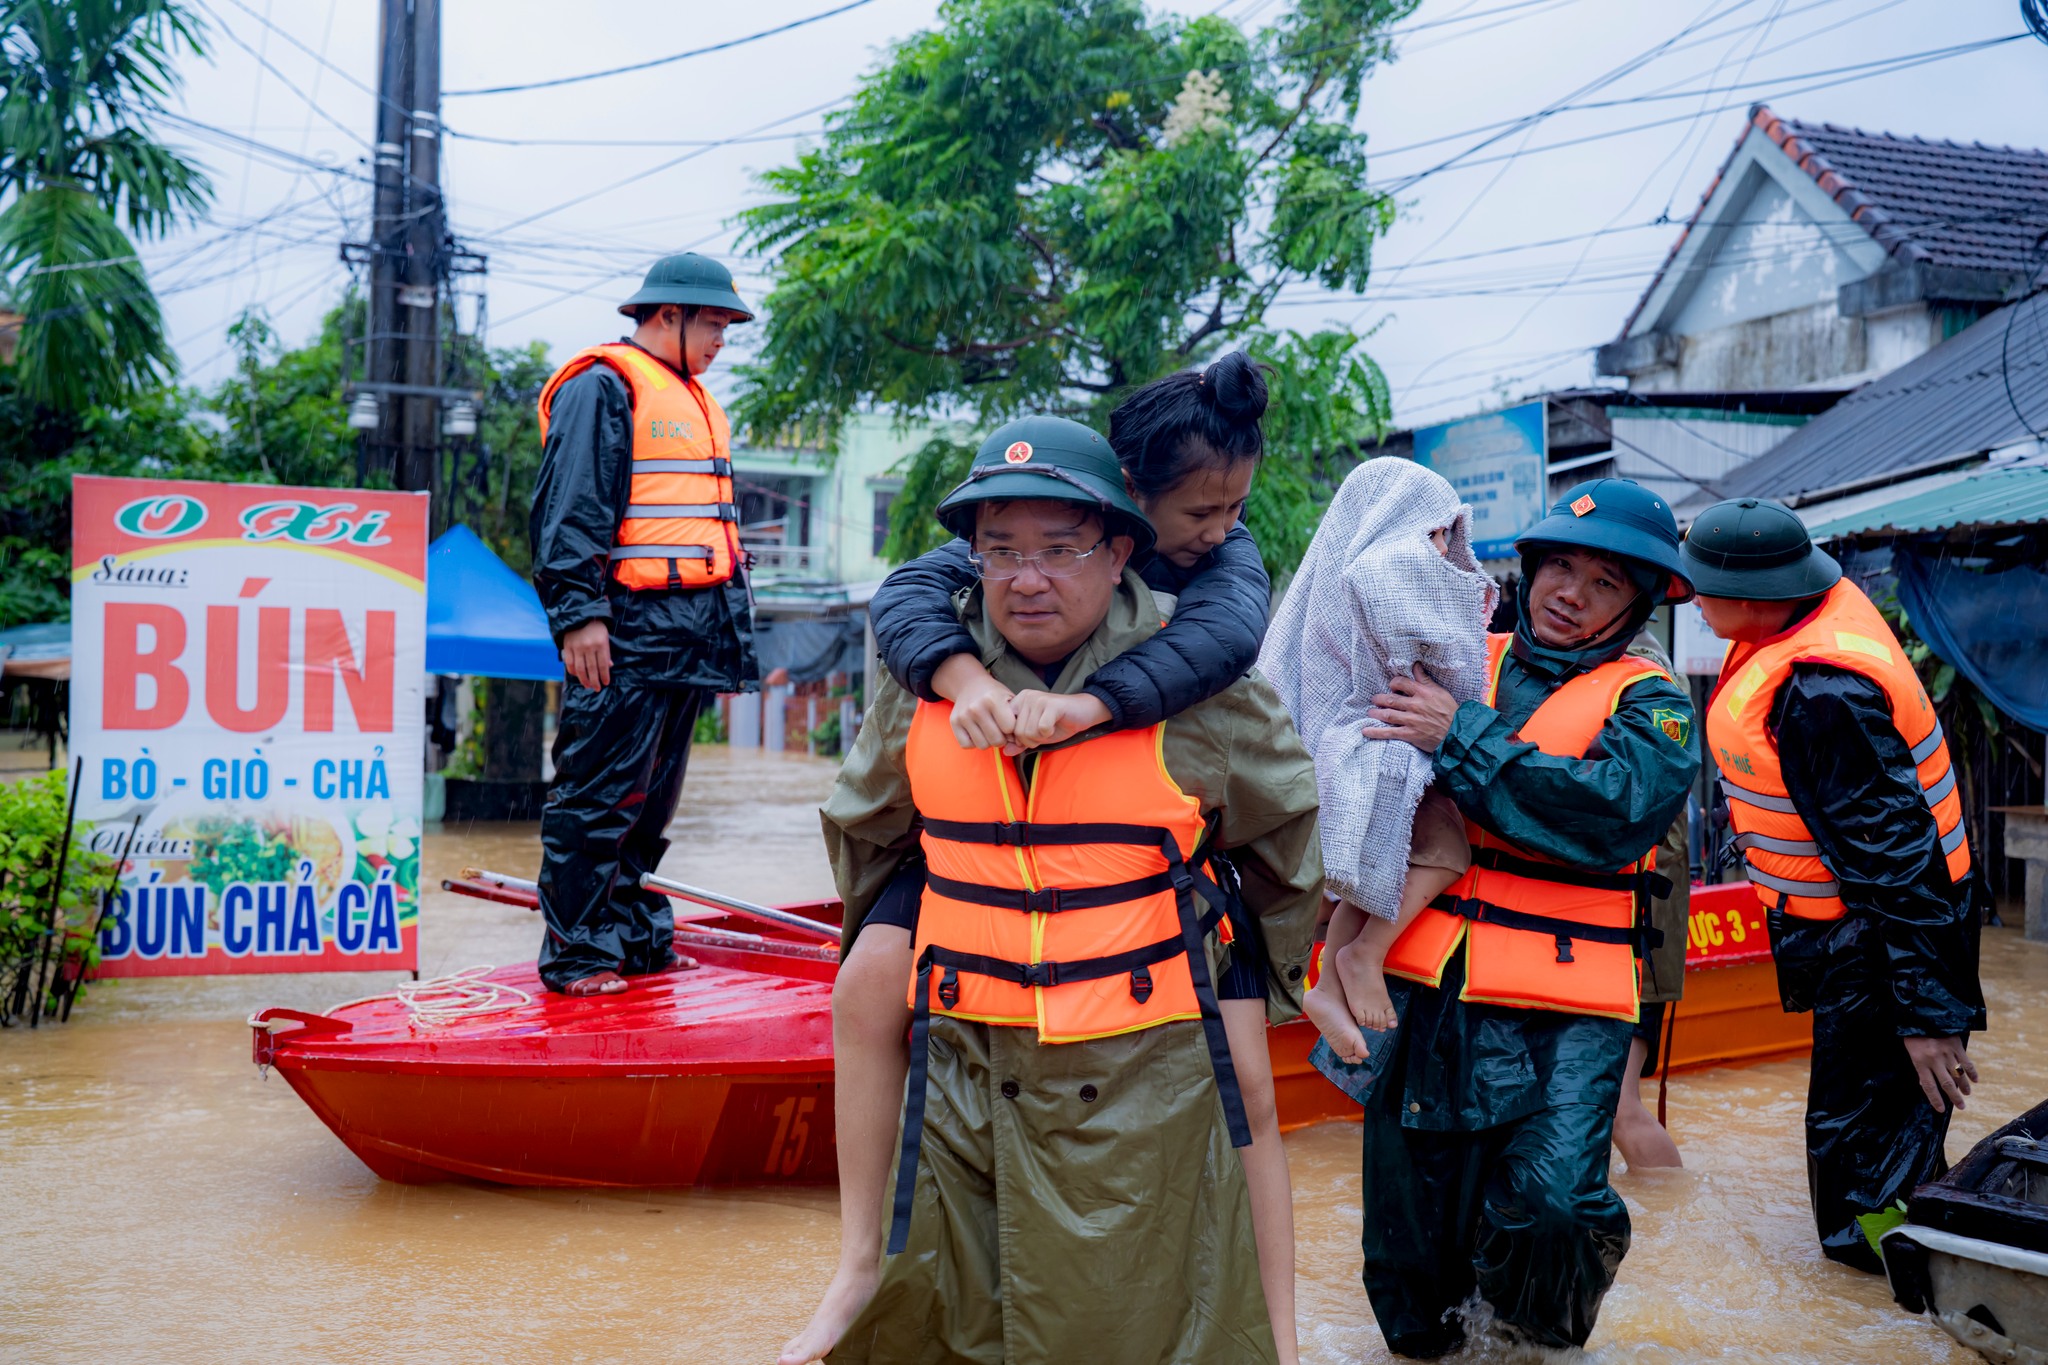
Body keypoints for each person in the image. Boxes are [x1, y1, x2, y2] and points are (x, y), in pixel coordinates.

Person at [782, 352, 1300, 1363]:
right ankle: (856, 1266)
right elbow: (870, 812)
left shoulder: (1215, 601)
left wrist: (1292, 972)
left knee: (1248, 1076)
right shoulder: (941, 629)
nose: (1221, 529)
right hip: (974, 889)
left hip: (1158, 896)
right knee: (865, 986)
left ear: (1116, 545)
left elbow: (1278, 816)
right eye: (1003, 547)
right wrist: (960, 677)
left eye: (1059, 550)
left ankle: (1276, 1333)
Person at [1351, 478, 1701, 1357]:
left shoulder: (1653, 703)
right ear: (1532, 567)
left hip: (1569, 1005)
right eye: (1561, 567)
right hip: (1432, 984)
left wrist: (1458, 735)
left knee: (1554, 1205)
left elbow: (1614, 810)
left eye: (1605, 583)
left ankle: (1535, 1347)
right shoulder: (1463, 654)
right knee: (1411, 1238)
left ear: (1639, 604)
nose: (1571, 593)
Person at [1681, 497, 1986, 1272]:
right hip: (1870, 940)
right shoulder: (1800, 627)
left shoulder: (1821, 694)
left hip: (1888, 947)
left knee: (1870, 1182)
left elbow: (1897, 861)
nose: (1689, 596)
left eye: (1701, 586)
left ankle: (1912, 1299)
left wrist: (1926, 1014)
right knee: (1860, 1147)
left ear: (1751, 597)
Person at [527, 253, 758, 996]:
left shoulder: (686, 393)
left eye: (726, 324)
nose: (723, 339)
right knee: (597, 799)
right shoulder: (603, 387)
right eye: (715, 323)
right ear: (669, 316)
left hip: (685, 631)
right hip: (622, 629)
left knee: (649, 806)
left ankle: (632, 938)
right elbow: (570, 511)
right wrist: (579, 616)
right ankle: (578, 954)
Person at [1253, 457, 1497, 1058]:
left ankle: (1330, 985)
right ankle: (1363, 955)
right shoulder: (1392, 568)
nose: (1445, 550)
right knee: (1447, 853)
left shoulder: (1339, 577)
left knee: (1372, 876)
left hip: (1350, 747)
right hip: (1385, 746)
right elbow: (1448, 664)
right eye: (1438, 532)